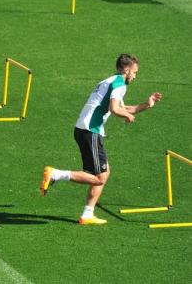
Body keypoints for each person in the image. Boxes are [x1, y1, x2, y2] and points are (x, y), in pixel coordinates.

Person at [41, 54, 163, 225]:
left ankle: (87, 214)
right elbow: (115, 109)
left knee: (103, 173)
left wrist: (146, 105)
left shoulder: (109, 81)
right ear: (127, 70)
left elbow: (121, 107)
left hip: (83, 129)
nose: (135, 76)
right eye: (135, 72)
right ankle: (56, 174)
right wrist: (127, 115)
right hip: (90, 131)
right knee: (100, 177)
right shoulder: (119, 84)